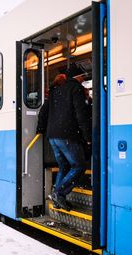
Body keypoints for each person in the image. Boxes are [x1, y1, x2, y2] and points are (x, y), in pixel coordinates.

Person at [37, 66, 91, 211]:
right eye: (83, 77)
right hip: (67, 135)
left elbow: (44, 111)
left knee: (64, 166)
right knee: (79, 165)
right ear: (78, 77)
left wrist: (41, 129)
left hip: (52, 135)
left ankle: (57, 199)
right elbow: (81, 114)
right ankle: (58, 193)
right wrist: (88, 136)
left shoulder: (56, 90)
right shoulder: (76, 89)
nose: (83, 80)